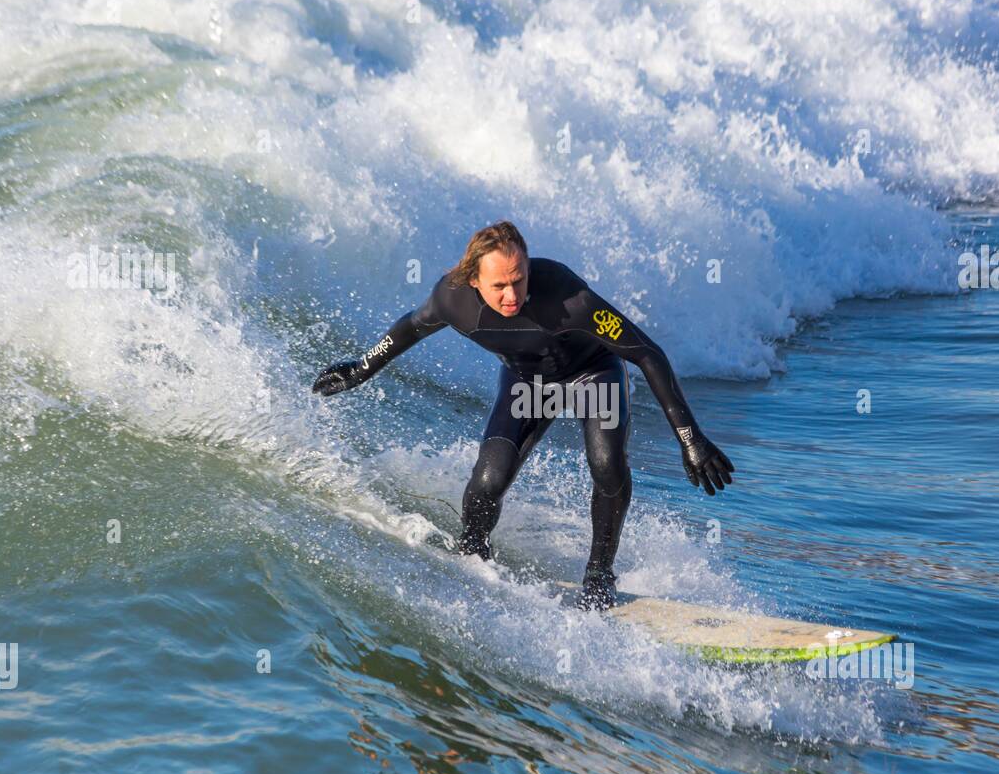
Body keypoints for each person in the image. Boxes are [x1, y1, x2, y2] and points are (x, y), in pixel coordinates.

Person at [313, 221, 734, 611]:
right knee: (486, 483)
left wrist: (689, 438)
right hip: (528, 384)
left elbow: (646, 352)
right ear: (474, 280)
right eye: (499, 286)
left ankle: (599, 574)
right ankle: (473, 556)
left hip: (592, 376)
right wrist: (358, 370)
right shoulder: (452, 299)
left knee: (606, 465)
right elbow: (410, 327)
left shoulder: (569, 298)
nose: (512, 296)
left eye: (519, 280)